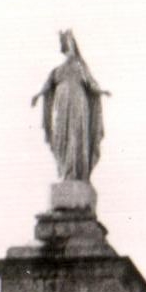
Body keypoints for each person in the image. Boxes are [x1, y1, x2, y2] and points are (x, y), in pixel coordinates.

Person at [32, 31, 110, 182]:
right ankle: (65, 172)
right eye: (67, 46)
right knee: (61, 136)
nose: (69, 49)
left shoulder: (81, 68)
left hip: (78, 104)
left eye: (71, 45)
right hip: (61, 105)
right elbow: (48, 85)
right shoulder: (57, 70)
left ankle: (77, 172)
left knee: (76, 134)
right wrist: (38, 95)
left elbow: (91, 84)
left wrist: (102, 91)